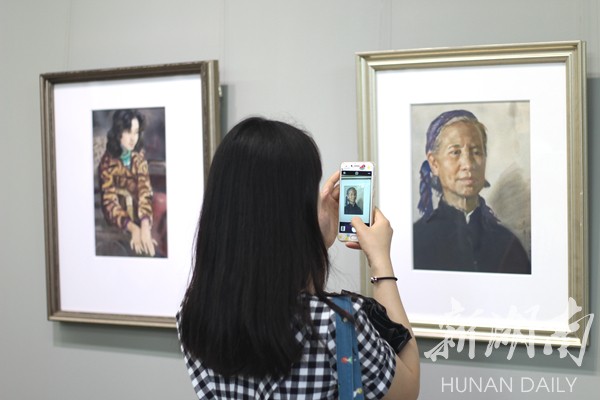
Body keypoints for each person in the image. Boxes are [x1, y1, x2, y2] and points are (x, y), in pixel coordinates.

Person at [177, 117, 420, 399]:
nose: (322, 198)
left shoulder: (194, 317)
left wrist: (313, 242)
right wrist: (380, 261)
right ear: (293, 216)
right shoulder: (336, 324)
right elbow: (407, 389)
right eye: (312, 192)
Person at [413, 109, 531, 274]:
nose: (468, 164)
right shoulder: (416, 241)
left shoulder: (508, 245)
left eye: (476, 152)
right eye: (455, 152)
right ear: (434, 163)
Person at [98, 109, 156, 257]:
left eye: (136, 132)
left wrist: (144, 226)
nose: (133, 139)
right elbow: (109, 203)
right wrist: (133, 229)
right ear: (118, 133)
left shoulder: (139, 158)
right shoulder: (107, 163)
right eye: (128, 132)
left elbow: (145, 192)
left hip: (140, 220)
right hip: (117, 226)